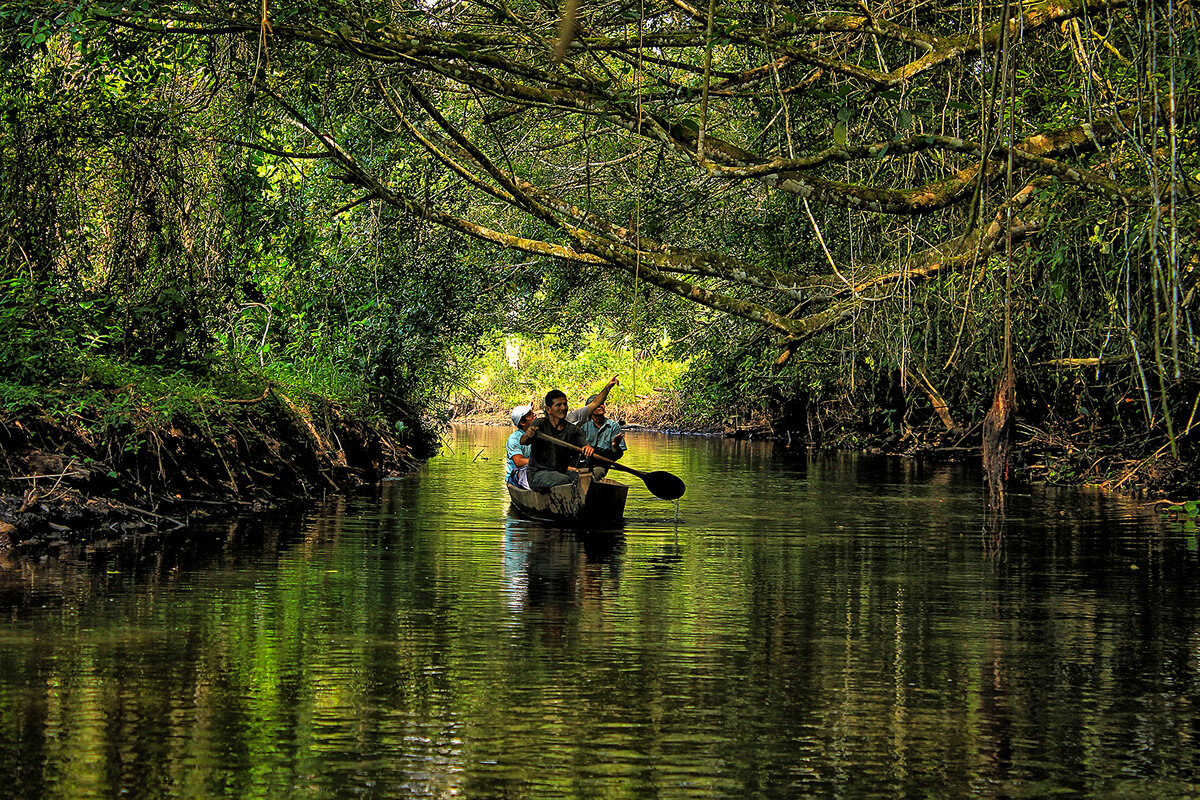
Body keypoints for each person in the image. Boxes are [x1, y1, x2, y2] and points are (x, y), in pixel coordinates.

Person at [520, 389, 596, 490]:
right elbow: (523, 441)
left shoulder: (573, 430)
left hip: (561, 472)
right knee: (564, 480)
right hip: (538, 474)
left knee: (588, 480)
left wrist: (588, 448)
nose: (563, 408)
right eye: (558, 405)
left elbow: (585, 445)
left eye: (565, 404)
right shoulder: (540, 424)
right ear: (548, 409)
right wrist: (528, 435)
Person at [571, 393, 626, 479]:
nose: (600, 406)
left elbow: (618, 455)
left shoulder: (613, 426)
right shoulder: (582, 425)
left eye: (602, 404)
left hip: (601, 464)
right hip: (581, 462)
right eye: (597, 404)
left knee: (594, 476)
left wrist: (615, 445)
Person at [506, 404, 534, 489]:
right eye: (530, 414)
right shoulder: (514, 439)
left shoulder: (539, 434)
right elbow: (518, 462)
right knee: (525, 473)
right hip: (516, 474)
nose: (534, 414)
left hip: (536, 468)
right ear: (522, 422)